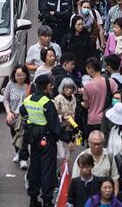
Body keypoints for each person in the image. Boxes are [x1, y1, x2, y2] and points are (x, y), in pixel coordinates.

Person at [21, 74, 72, 207]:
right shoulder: (47, 103)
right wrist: (68, 138)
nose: (52, 87)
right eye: (51, 85)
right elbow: (55, 126)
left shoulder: (28, 100)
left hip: (33, 139)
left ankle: (33, 199)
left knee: (34, 169)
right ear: (48, 86)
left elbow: (23, 112)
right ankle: (47, 201)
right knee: (47, 171)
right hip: (47, 142)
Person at [3, 64, 31, 168]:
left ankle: (23, 158)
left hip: (24, 116)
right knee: (15, 136)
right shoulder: (10, 84)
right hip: (13, 116)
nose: (19, 77)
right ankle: (17, 153)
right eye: (17, 75)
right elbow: (5, 99)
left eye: (22, 75)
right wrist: (8, 112)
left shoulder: (29, 86)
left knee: (22, 137)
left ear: (26, 75)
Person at [82, 58, 118, 134]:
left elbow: (87, 105)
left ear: (90, 68)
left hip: (93, 120)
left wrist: (81, 103)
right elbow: (117, 98)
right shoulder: (111, 82)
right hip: (109, 118)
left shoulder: (87, 85)